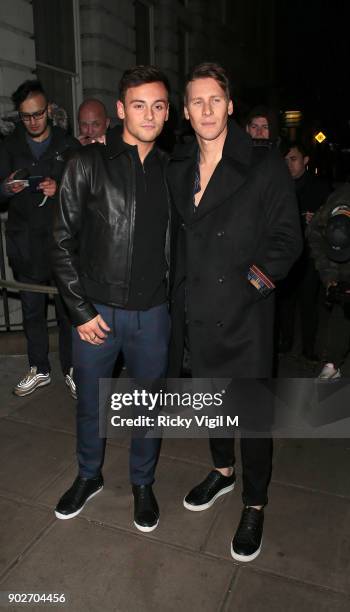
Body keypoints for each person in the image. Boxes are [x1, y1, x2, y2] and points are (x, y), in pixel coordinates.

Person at [167, 62, 302, 562]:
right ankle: (222, 473)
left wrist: (249, 288)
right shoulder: (178, 167)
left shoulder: (263, 164)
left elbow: (288, 239)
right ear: (185, 111)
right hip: (197, 313)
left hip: (244, 314)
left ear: (230, 105)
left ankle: (255, 501)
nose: (206, 109)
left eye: (214, 100)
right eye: (196, 101)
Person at [51, 65, 171, 532]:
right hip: (96, 314)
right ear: (121, 110)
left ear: (167, 113)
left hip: (154, 313)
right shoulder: (87, 163)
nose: (149, 114)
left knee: (148, 404)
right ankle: (88, 476)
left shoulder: (173, 171)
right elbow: (61, 241)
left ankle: (142, 482)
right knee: (90, 405)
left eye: (158, 106)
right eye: (138, 105)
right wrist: (79, 310)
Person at [0, 80, 80, 398]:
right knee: (32, 309)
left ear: (48, 110)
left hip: (60, 243)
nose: (32, 122)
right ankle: (39, 369)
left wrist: (60, 189)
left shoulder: (67, 144)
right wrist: (7, 188)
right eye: (25, 116)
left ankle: (72, 368)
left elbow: (85, 193)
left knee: (66, 311)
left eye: (37, 114)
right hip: (25, 243)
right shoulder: (9, 146)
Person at [277, 141, 331, 360]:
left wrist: (317, 219)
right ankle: (286, 341)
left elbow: (333, 219)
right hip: (286, 253)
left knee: (308, 301)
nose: (289, 165)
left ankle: (309, 347)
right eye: (286, 160)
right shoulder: (279, 185)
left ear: (305, 160)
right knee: (286, 301)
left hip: (310, 254)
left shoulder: (319, 187)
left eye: (294, 159)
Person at [308, 184, 350, 380]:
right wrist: (330, 278)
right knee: (341, 301)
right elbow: (315, 244)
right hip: (337, 248)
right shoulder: (322, 220)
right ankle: (332, 364)